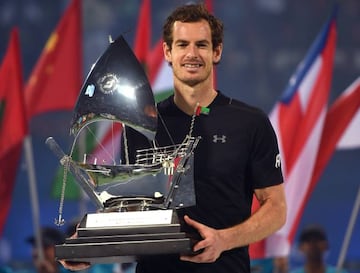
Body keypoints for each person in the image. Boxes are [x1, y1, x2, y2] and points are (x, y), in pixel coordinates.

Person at [61, 3, 286, 273]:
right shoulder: (139, 125)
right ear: (168, 52)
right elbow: (131, 207)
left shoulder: (250, 122)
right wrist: (90, 242)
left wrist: (223, 240)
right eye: (182, 45)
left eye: (201, 45)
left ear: (217, 52)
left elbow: (276, 209)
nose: (192, 54)